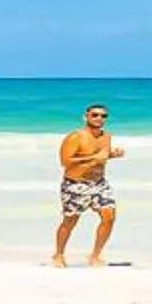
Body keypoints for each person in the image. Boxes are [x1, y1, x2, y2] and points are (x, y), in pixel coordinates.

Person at [53, 103, 124, 267]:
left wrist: (113, 155)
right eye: (95, 115)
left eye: (103, 116)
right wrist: (93, 158)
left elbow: (102, 156)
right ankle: (58, 254)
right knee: (70, 221)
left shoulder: (106, 136)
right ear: (86, 116)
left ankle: (95, 256)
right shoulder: (75, 137)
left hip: (99, 183)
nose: (99, 118)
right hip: (75, 184)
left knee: (109, 217)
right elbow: (65, 162)